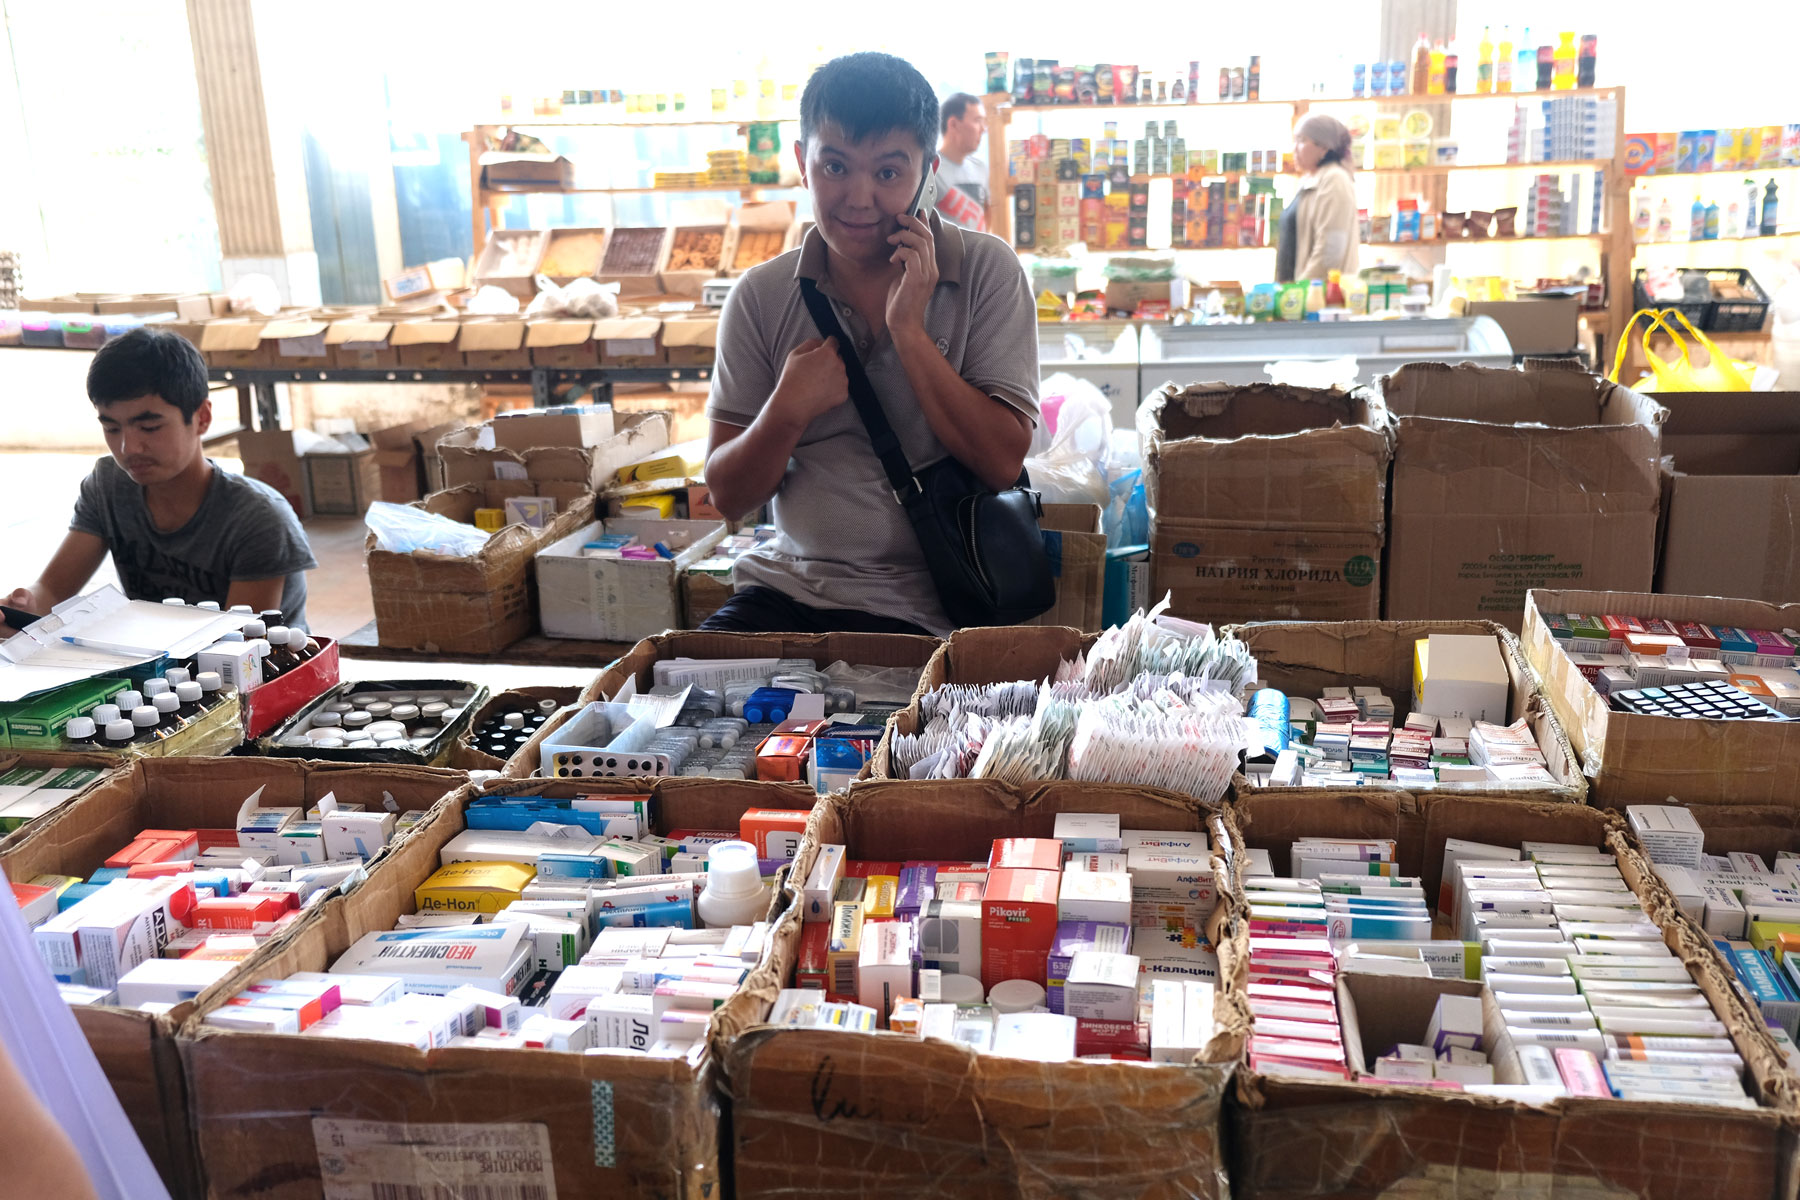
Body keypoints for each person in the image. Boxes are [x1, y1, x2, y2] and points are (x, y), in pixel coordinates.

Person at [700, 52, 1039, 637]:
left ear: (927, 171)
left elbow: (1002, 463)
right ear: (803, 162)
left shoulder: (987, 271)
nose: (858, 199)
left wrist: (910, 332)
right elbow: (728, 497)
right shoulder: (761, 296)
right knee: (668, 703)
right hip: (784, 592)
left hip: (941, 603)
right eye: (835, 167)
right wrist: (785, 412)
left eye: (887, 173)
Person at [4, 328, 317, 635]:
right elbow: (53, 591)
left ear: (202, 418)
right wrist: (23, 607)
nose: (129, 448)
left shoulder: (259, 519)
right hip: (156, 666)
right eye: (112, 429)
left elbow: (241, 645)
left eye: (150, 427)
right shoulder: (108, 486)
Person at [1277, 113, 1361, 284]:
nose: (1294, 148)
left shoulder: (1334, 179)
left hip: (1318, 299)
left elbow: (1330, 251)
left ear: (1324, 147)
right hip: (1296, 296)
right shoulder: (1309, 179)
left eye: (1302, 141)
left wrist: (1301, 290)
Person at [935, 92, 989, 231]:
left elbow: (987, 216)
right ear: (953, 124)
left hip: (977, 252)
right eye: (977, 121)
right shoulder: (931, 169)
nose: (983, 129)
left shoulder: (980, 168)